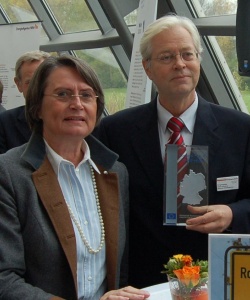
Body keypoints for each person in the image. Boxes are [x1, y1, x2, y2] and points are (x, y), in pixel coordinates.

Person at [94, 14, 250, 288]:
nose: (180, 65)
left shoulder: (240, 129)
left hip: (221, 277)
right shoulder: (115, 131)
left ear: (199, 60)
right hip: (145, 283)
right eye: (166, 57)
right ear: (148, 67)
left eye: (187, 54)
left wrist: (232, 214)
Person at [0, 55, 150, 300]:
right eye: (63, 94)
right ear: (36, 107)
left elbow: (118, 269)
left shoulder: (115, 172)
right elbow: (4, 279)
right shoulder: (8, 173)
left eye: (87, 95)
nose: (77, 104)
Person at [0, 50, 50, 153]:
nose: (38, 88)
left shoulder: (74, 118)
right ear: (19, 84)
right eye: (30, 82)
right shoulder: (5, 123)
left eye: (43, 81)